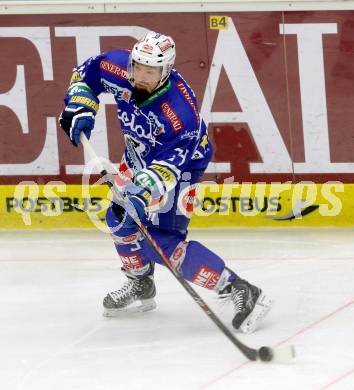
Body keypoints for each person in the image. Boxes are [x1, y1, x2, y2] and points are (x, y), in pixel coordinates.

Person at [59, 31, 272, 333]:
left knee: (159, 241)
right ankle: (140, 283)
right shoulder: (121, 67)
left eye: (150, 71)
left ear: (166, 71)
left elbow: (169, 166)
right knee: (119, 219)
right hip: (139, 154)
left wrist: (140, 194)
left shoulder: (179, 112)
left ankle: (238, 289)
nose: (140, 77)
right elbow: (85, 74)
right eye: (137, 67)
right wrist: (80, 104)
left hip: (180, 165)